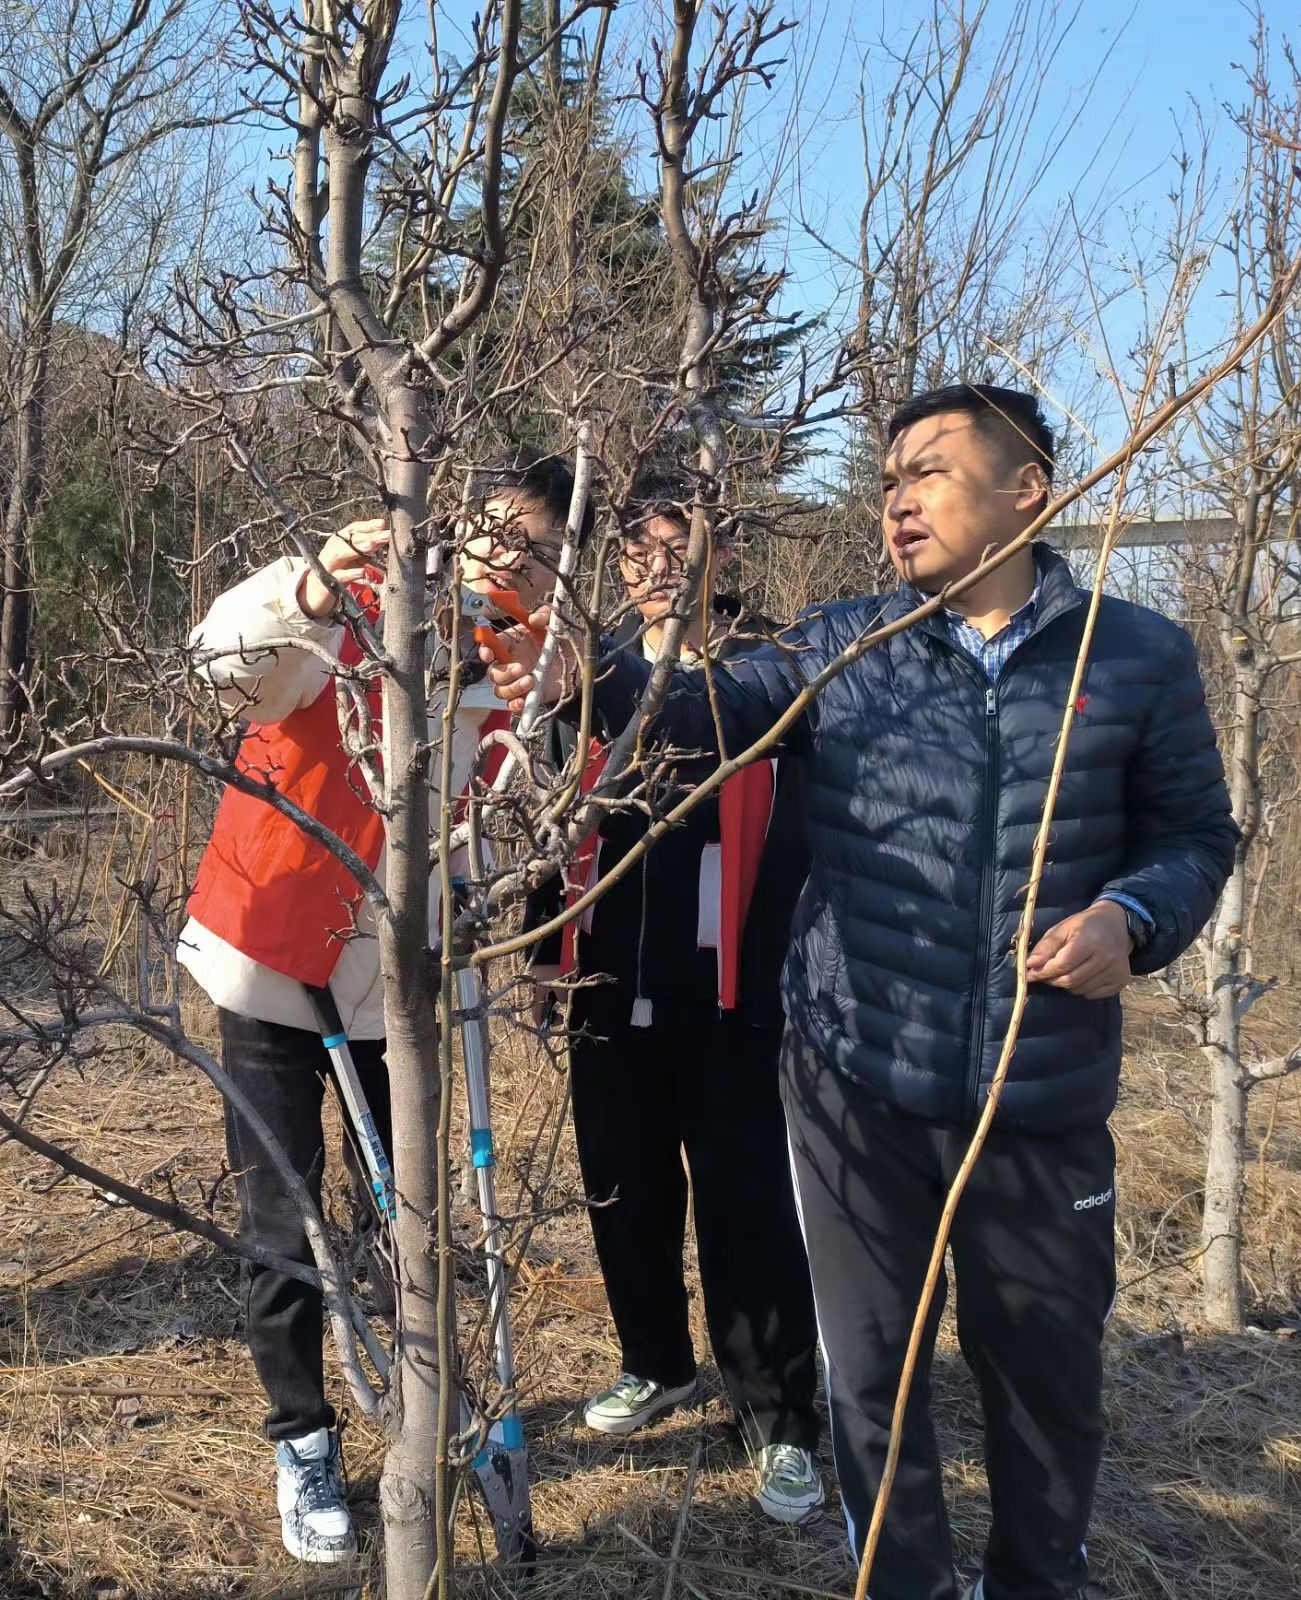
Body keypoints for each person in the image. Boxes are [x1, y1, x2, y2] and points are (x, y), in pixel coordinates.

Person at [485, 385, 1237, 1600]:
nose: (896, 499)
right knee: (870, 1387)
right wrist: (580, 676)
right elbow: (702, 707)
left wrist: (1130, 917)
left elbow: (1196, 835)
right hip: (855, 1090)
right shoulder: (848, 645)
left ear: (1024, 492)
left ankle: (1035, 1579)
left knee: (1043, 1387)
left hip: (1032, 1097)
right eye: (886, 477)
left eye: (929, 472)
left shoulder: (1134, 656)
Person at [179, 450, 582, 1563]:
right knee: (284, 1213)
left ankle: (413, 1399)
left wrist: (553, 716)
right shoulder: (355, 604)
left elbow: (520, 836)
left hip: (394, 987)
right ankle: (300, 1438)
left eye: (539, 551)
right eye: (493, 533)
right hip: (267, 951)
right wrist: (306, 590)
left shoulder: (519, 670)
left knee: (406, 1213)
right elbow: (220, 662)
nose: (508, 562)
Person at [524, 469, 823, 1524]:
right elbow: (546, 815)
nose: (651, 568)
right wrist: (536, 948)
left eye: (673, 546)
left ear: (720, 555)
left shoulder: (773, 667)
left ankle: (779, 1413)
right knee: (621, 1189)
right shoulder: (585, 671)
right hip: (609, 983)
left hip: (729, 993)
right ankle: (653, 1361)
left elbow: (779, 809)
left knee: (745, 1204)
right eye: (633, 551)